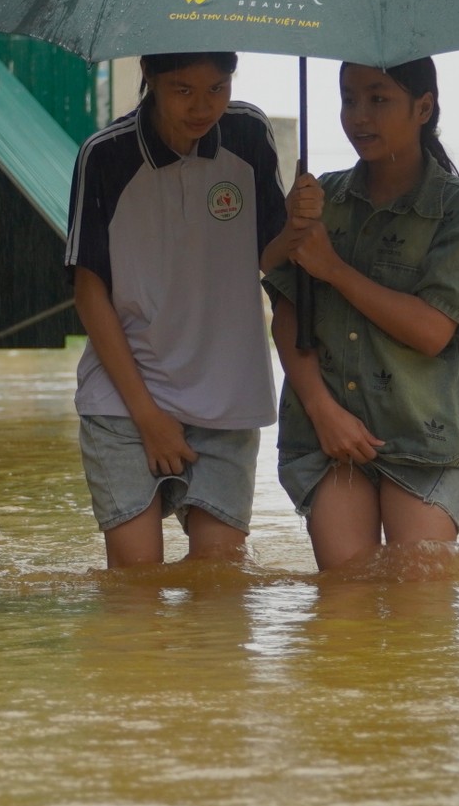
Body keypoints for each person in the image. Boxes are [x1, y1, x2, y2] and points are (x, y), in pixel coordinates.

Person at [66, 51, 297, 568]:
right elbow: (88, 290)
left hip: (226, 395)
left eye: (218, 88)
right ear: (148, 74)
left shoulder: (248, 133)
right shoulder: (104, 155)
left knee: (219, 593)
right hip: (125, 399)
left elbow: (269, 255)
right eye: (183, 89)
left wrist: (299, 228)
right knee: (135, 588)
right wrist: (148, 416)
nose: (203, 107)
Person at [267, 59, 459, 571]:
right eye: (348, 99)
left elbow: (431, 331)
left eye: (378, 99)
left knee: (422, 602)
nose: (358, 117)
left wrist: (332, 267)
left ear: (423, 107)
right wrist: (323, 411)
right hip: (329, 433)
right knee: (344, 604)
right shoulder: (320, 199)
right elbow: (286, 313)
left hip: (423, 433)